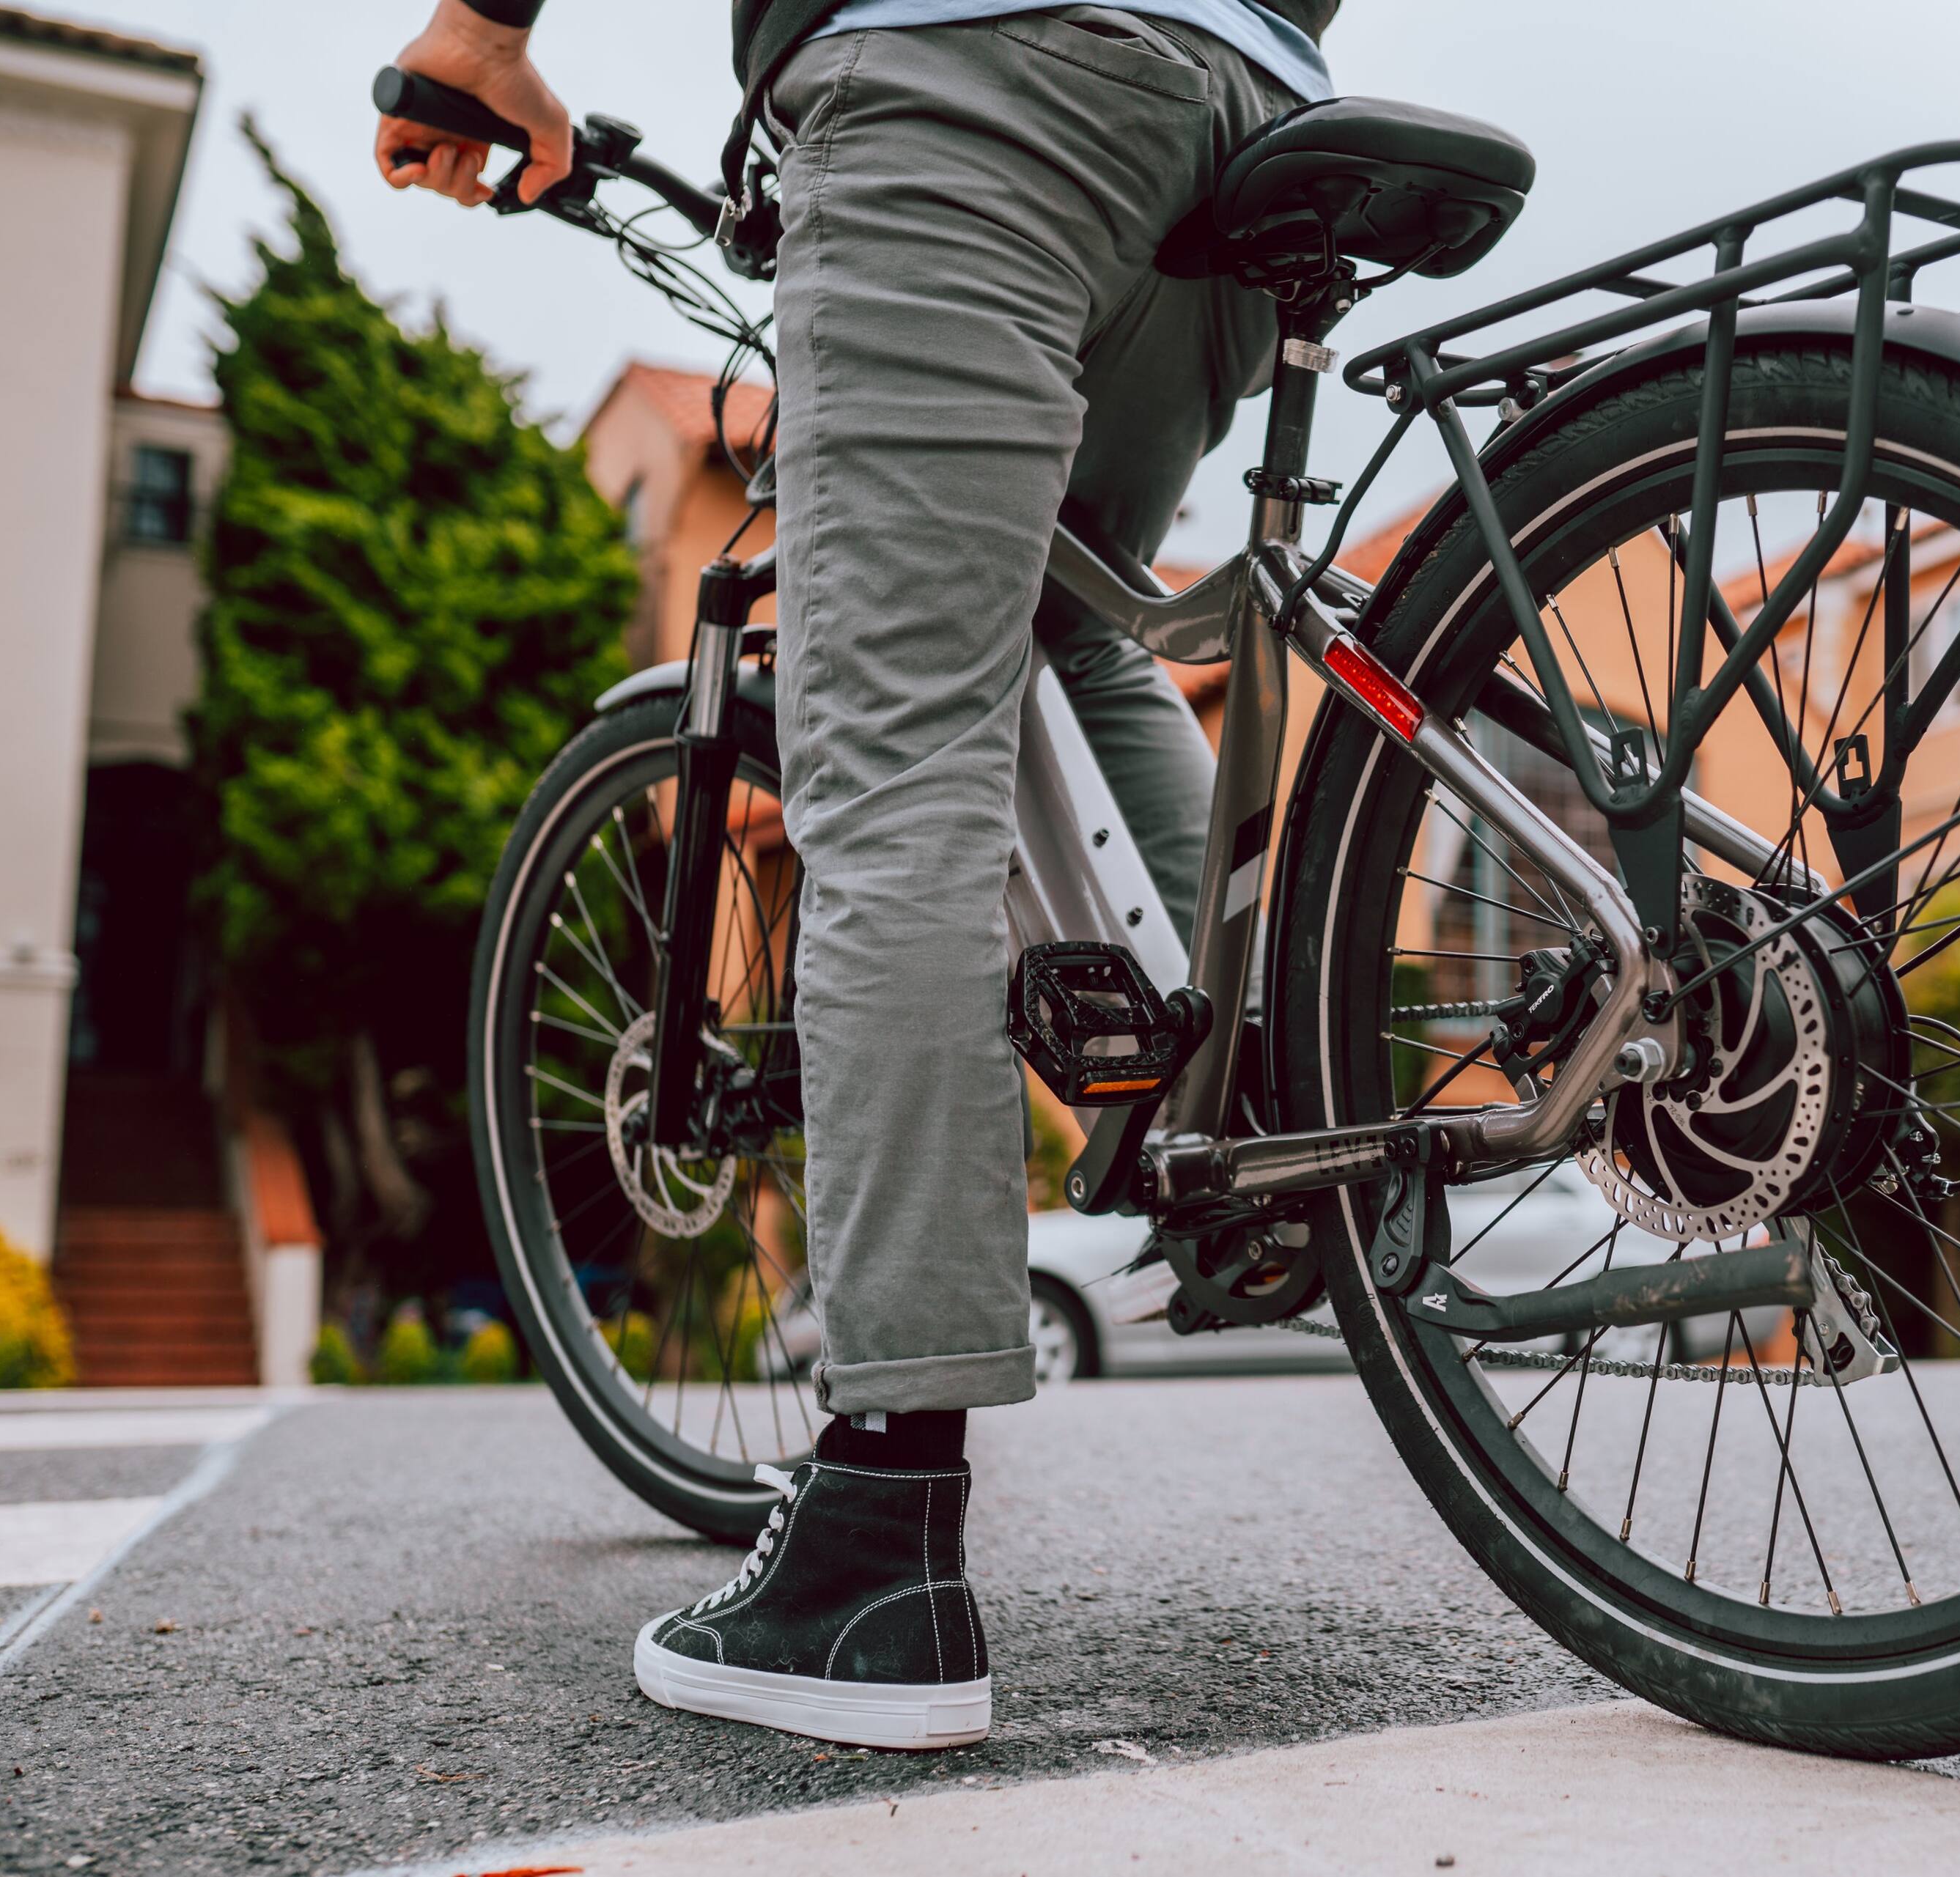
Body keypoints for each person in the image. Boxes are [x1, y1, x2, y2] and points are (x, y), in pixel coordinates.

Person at [378, 0, 1337, 1752]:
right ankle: (1278, 1145)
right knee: (1077, 610)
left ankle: (883, 1541)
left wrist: (483, 37)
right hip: (1240, 98)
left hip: (973, 81)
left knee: (892, 759)